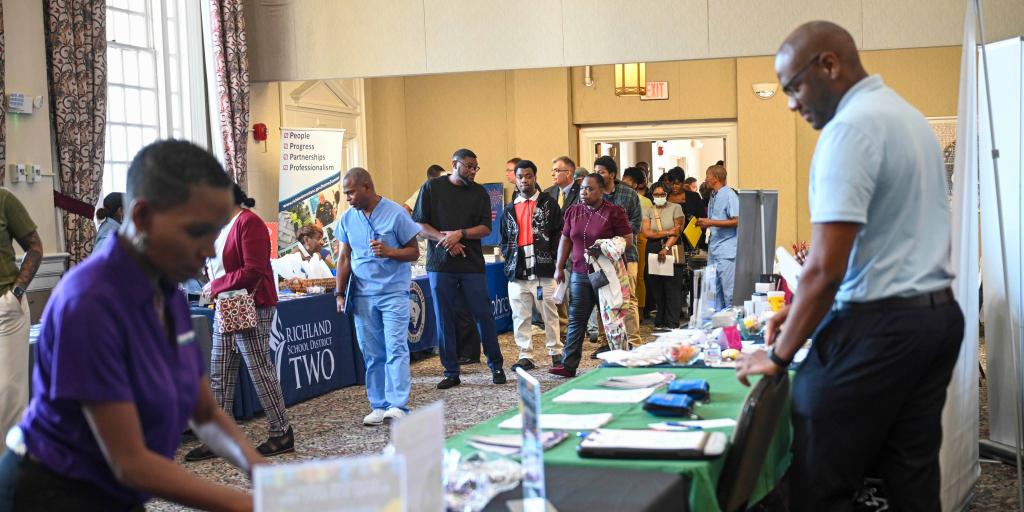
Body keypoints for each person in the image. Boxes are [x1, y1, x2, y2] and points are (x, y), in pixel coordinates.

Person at [735, 21, 963, 512]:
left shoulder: (849, 131)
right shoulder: (905, 116)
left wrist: (778, 355)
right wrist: (799, 314)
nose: (792, 104)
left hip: (880, 328)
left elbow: (824, 268)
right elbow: (880, 247)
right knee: (910, 477)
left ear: (829, 65)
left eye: (793, 87)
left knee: (819, 477)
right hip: (936, 319)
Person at [0, 140, 263, 511]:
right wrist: (254, 505)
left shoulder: (167, 288)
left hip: (110, 487)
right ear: (141, 218)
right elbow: (130, 463)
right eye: (196, 232)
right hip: (50, 489)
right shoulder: (90, 301)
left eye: (216, 232)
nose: (209, 250)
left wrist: (265, 477)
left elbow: (203, 411)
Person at [186, 184, 293, 462]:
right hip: (228, 305)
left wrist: (217, 284)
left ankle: (281, 431)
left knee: (259, 370)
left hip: (253, 306)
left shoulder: (250, 222)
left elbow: (254, 269)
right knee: (220, 371)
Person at [413, 148, 506, 389]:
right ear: (455, 164)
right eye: (469, 166)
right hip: (440, 265)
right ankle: (451, 371)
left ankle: (496, 365)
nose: (474, 171)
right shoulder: (432, 188)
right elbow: (420, 224)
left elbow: (485, 228)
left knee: (483, 314)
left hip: (471, 264)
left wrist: (460, 234)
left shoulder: (480, 193)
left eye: (476, 167)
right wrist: (446, 240)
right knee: (445, 318)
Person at [335, 168, 421, 425]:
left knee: (395, 348)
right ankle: (378, 404)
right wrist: (339, 293)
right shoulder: (348, 219)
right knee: (372, 353)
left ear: (367, 188)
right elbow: (344, 258)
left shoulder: (396, 213)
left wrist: (390, 252)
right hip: (362, 295)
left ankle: (398, 405)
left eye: (351, 192)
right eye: (345, 194)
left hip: (393, 292)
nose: (348, 198)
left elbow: (414, 252)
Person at [549, 173, 633, 378]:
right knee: (577, 319)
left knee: (612, 318)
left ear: (602, 190)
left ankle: (620, 361)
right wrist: (559, 267)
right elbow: (566, 240)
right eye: (582, 188)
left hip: (605, 274)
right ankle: (568, 365)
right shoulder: (573, 211)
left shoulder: (614, 212)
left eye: (590, 189)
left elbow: (628, 240)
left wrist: (606, 246)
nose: (584, 192)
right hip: (579, 273)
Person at [500, 160, 563, 372]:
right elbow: (504, 238)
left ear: (535, 177)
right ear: (515, 180)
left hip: (544, 268)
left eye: (528, 176)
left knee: (549, 313)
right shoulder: (509, 209)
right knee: (520, 315)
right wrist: (509, 257)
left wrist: (555, 260)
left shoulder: (549, 203)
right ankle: (525, 354)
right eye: (520, 177)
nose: (524, 180)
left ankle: (555, 352)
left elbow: (559, 234)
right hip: (517, 269)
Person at [0, 189, 41, 448]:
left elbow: (35, 248)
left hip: (5, 309)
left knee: (8, 398)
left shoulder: (4, 200)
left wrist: (15, 293)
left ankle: (10, 476)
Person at [592, 156, 642, 348]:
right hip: (600, 259)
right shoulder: (593, 193)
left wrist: (611, 240)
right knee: (602, 298)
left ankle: (633, 342)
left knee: (628, 299)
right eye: (596, 171)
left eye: (602, 171)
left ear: (612, 174)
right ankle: (607, 341)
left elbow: (635, 225)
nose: (597, 175)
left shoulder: (628, 195)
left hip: (627, 255)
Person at [642, 183, 685, 329]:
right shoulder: (648, 210)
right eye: (656, 194)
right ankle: (660, 320)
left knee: (672, 286)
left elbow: (677, 231)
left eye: (662, 194)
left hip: (671, 247)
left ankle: (672, 322)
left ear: (666, 195)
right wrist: (667, 232)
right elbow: (647, 232)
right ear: (652, 195)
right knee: (656, 285)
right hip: (653, 247)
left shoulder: (676, 208)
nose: (659, 197)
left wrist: (666, 247)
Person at [698, 164, 739, 308]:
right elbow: (716, 220)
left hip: (726, 251)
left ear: (715, 178)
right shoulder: (713, 196)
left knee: (729, 293)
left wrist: (710, 222)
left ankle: (731, 327)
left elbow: (737, 220)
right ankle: (718, 326)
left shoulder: (729, 195)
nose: (706, 180)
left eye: (707, 177)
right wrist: (707, 224)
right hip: (714, 249)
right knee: (714, 293)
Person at [621, 166, 653, 320]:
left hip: (625, 241)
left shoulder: (612, 193)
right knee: (638, 278)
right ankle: (638, 313)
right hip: (636, 241)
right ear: (637, 184)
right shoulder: (642, 199)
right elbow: (639, 225)